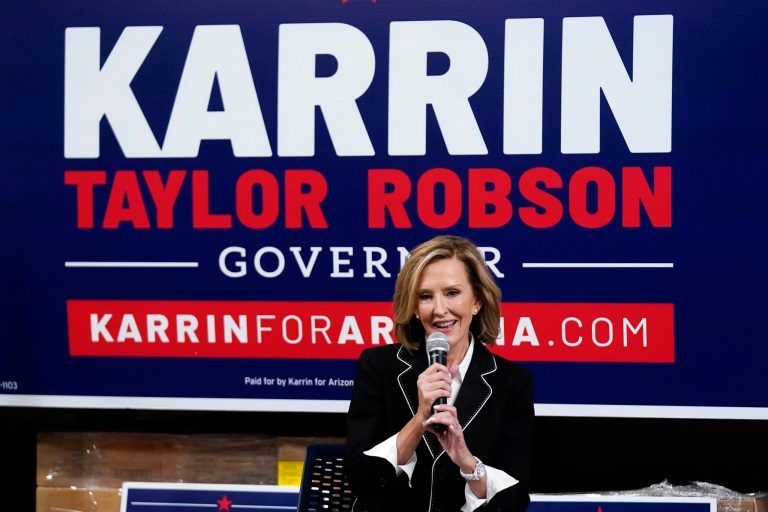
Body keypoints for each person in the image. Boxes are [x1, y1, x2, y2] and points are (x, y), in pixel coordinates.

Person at [345, 235, 534, 512]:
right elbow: (362, 482)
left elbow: (513, 502)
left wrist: (467, 462)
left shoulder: (511, 382)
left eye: (452, 293)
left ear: (477, 301)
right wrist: (419, 419)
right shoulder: (378, 366)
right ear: (414, 307)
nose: (439, 309)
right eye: (425, 296)